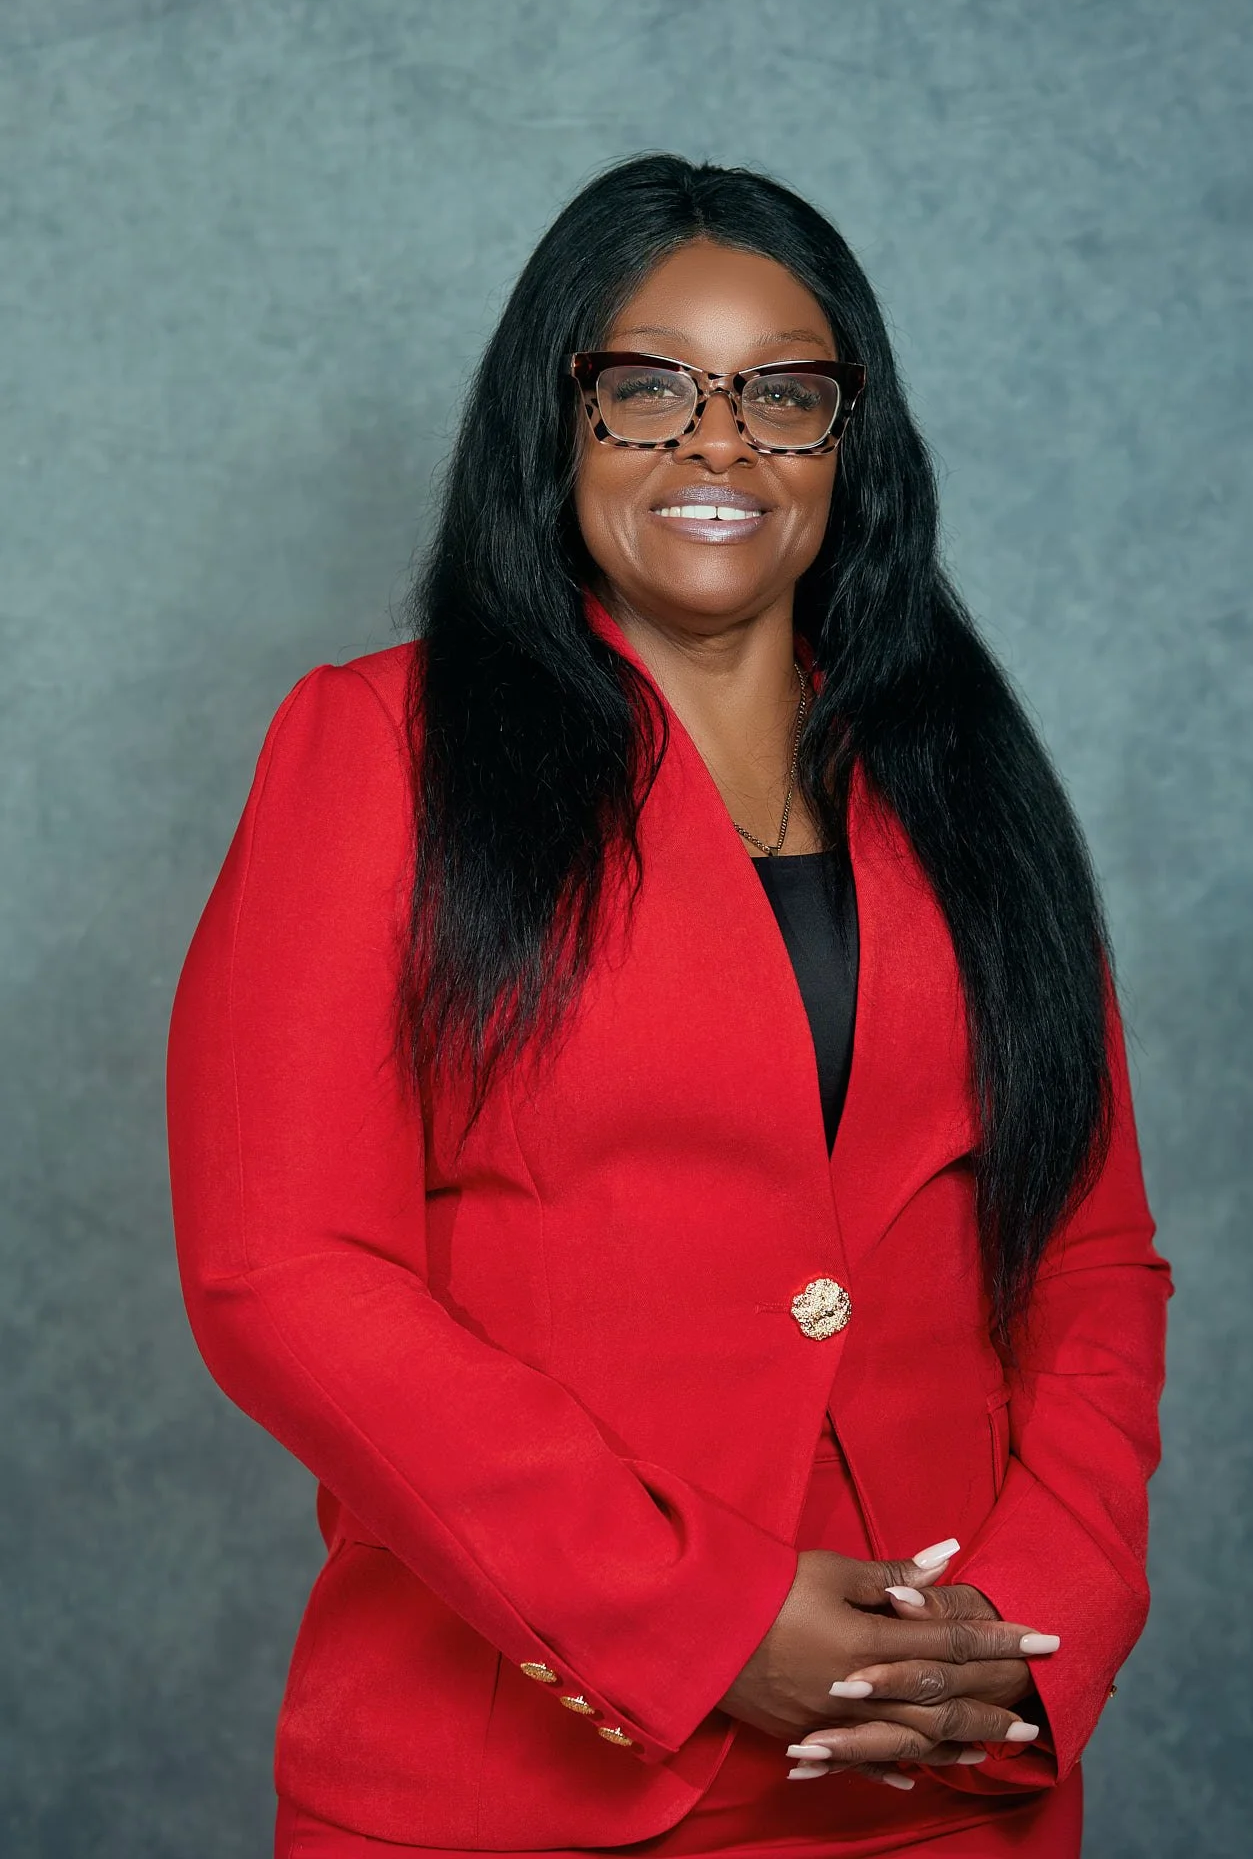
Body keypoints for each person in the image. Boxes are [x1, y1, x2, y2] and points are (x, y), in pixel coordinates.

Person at [166, 154, 1172, 1858]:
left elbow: (1089, 1255)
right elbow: (286, 1273)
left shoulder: (969, 786)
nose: (720, 446)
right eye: (648, 387)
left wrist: (1027, 1634)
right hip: (521, 1779)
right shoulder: (379, 750)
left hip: (937, 1770)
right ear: (554, 421)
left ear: (851, 443)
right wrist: (703, 1619)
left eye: (784, 394)